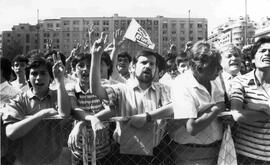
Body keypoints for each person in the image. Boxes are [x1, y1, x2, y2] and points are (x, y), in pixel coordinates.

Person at [89, 35, 172, 165]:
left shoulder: (163, 89)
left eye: (152, 64)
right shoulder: (121, 89)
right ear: (133, 67)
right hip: (123, 155)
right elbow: (96, 91)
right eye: (144, 63)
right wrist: (95, 56)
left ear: (156, 69)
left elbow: (172, 107)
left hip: (156, 155)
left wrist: (147, 117)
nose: (148, 66)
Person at [2, 56, 71, 165]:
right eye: (34, 73)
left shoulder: (58, 96)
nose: (38, 78)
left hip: (55, 161)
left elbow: (65, 113)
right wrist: (41, 114)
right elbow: (11, 132)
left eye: (43, 73)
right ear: (28, 77)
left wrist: (60, 81)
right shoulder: (19, 100)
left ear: (50, 77)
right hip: (25, 161)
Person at [169, 41, 225, 165]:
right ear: (200, 67)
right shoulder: (181, 84)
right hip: (191, 154)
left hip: (217, 149)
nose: (220, 69)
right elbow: (192, 127)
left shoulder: (213, 78)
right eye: (216, 65)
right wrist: (216, 109)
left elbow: (222, 108)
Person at [67, 53, 113, 165]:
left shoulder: (105, 86)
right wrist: (92, 119)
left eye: (89, 65)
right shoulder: (70, 88)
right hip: (78, 152)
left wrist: (81, 123)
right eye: (81, 65)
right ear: (74, 69)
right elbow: (75, 109)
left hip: (102, 152)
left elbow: (111, 109)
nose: (85, 69)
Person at [230, 36, 270, 164]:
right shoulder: (240, 81)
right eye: (262, 51)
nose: (268, 53)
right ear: (253, 59)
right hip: (248, 156)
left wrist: (254, 108)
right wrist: (266, 110)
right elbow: (237, 114)